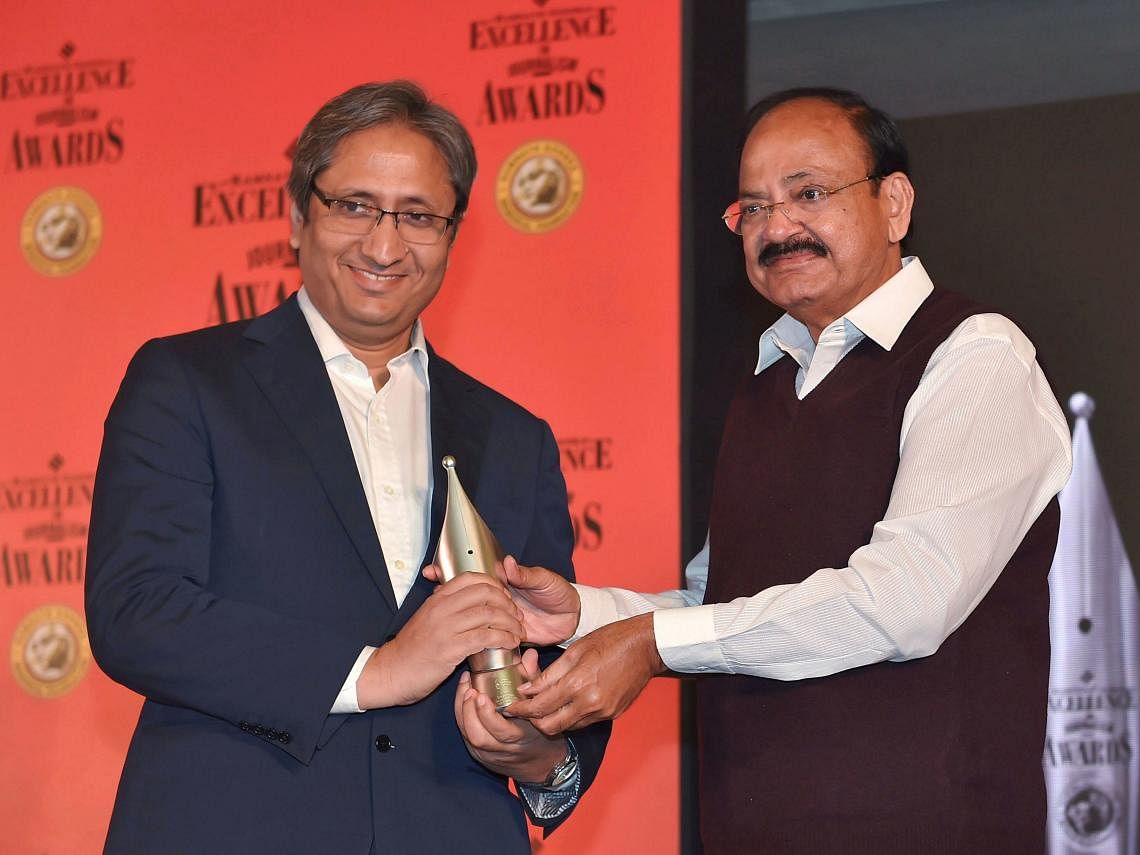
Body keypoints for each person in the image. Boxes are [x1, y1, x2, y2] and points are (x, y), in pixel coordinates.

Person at [501, 88, 1072, 853]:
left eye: (809, 193)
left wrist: (652, 642)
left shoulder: (975, 354)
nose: (779, 228)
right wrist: (584, 614)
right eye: (754, 209)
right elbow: (723, 598)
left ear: (895, 204)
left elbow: (903, 599)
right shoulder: (768, 381)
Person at [85, 80, 608, 855]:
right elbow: (137, 611)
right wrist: (376, 671)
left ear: (453, 235)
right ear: (299, 213)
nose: (385, 245)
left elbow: (557, 660)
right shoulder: (188, 381)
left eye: (418, 216)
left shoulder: (514, 435)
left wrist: (540, 755)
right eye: (355, 205)